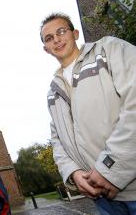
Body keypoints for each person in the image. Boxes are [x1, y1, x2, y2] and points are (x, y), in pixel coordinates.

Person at [41, 12, 136, 214]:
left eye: (61, 31)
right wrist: (72, 172)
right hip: (102, 199)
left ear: (75, 34)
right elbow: (57, 141)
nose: (56, 39)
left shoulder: (109, 50)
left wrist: (109, 170)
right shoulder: (53, 93)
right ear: (46, 49)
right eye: (49, 38)